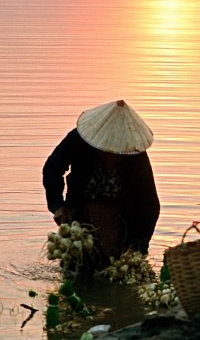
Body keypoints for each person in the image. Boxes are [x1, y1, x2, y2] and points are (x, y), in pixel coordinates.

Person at [43, 100, 160, 271]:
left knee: (118, 269)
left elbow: (149, 205)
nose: (112, 154)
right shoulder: (78, 140)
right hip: (83, 214)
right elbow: (52, 169)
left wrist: (137, 247)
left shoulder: (135, 155)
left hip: (122, 219)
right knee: (79, 267)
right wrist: (58, 206)